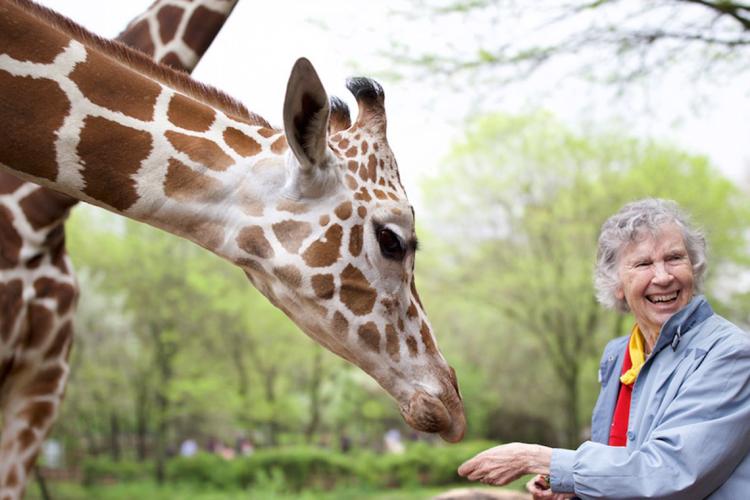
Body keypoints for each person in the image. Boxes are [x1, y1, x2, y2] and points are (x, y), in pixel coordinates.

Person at [458, 198, 750, 499]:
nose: (663, 277)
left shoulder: (730, 354)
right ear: (617, 285)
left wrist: (540, 459)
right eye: (643, 263)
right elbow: (625, 469)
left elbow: (669, 472)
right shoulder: (618, 356)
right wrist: (571, 488)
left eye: (675, 258)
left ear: (694, 267)